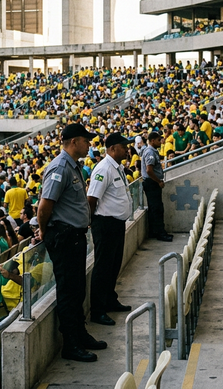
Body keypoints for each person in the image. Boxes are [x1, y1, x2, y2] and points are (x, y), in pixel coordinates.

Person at [38, 123, 107, 363]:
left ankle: (80, 334)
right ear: (74, 142)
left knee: (77, 289)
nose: (89, 144)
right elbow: (45, 206)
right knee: (68, 292)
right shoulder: (59, 167)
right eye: (86, 140)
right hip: (64, 238)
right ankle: (71, 343)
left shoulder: (73, 166)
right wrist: (44, 231)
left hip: (75, 238)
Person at [87, 133, 134, 327]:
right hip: (105, 224)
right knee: (103, 267)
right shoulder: (103, 169)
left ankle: (110, 299)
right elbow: (91, 198)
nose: (127, 150)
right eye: (123, 146)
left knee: (114, 265)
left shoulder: (118, 167)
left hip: (116, 223)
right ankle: (98, 310)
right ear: (113, 148)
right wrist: (92, 222)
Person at [141, 132, 172, 241]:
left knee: (154, 208)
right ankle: (160, 233)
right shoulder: (150, 152)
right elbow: (149, 170)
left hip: (151, 183)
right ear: (153, 140)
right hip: (152, 183)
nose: (160, 142)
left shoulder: (150, 151)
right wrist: (158, 181)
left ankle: (154, 232)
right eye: (159, 140)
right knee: (157, 209)